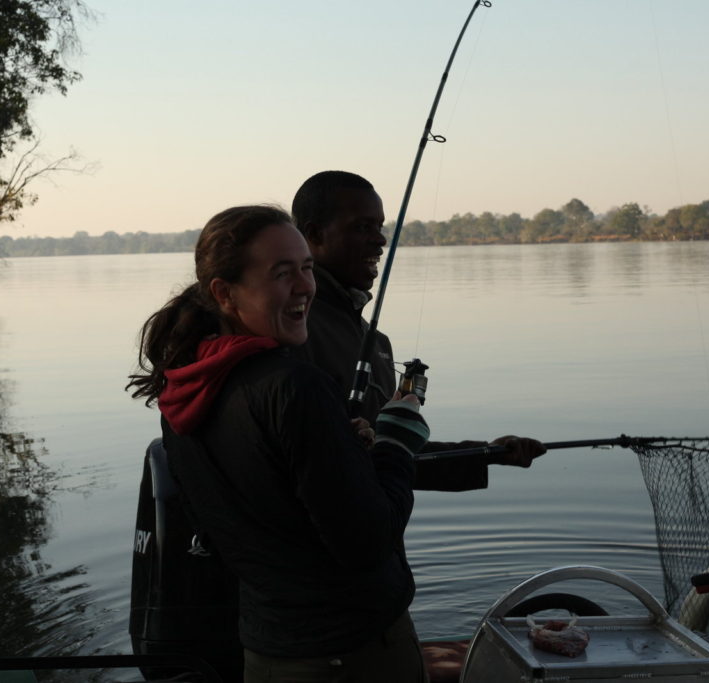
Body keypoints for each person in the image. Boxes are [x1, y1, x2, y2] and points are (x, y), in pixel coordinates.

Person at [127, 205, 432, 682]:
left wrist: (343, 450)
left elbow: (261, 498)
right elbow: (369, 543)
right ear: (225, 294)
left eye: (307, 267)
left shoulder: (182, 390)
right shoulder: (293, 386)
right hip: (352, 656)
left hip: (268, 653)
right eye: (281, 273)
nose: (306, 286)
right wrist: (396, 443)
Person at [290, 170, 546, 489]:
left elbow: (390, 455)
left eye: (380, 227)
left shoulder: (376, 341)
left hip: (375, 527)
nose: (381, 240)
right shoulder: (293, 331)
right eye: (362, 227)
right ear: (314, 234)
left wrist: (487, 453)